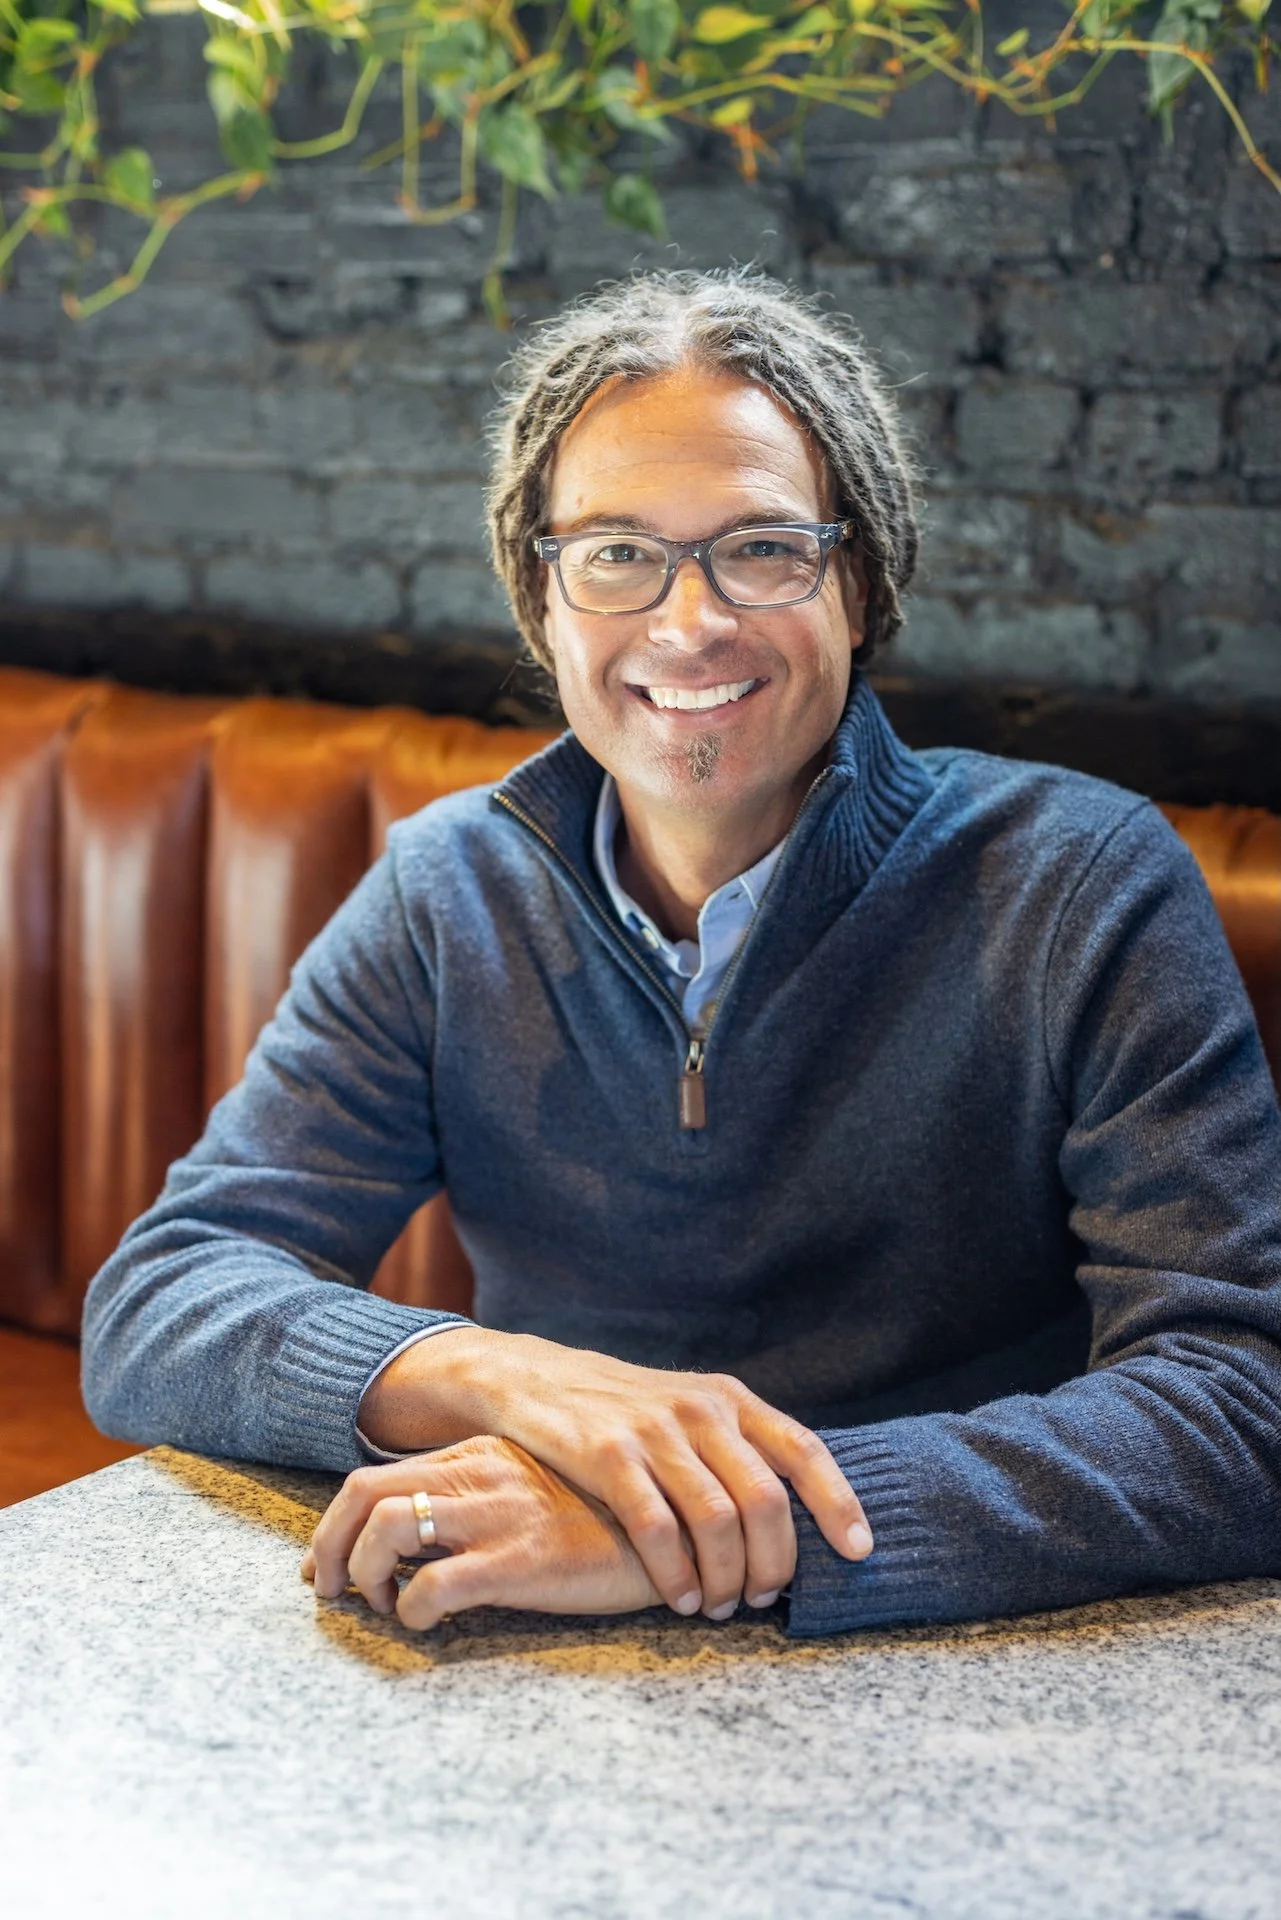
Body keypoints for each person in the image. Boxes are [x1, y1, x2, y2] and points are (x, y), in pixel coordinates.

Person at [82, 269, 1281, 1639]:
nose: (688, 621)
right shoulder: (446, 892)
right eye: (614, 553)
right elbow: (164, 1295)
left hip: (962, 1642)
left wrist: (709, 1530)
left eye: (763, 547)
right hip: (536, 1654)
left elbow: (1242, 1402)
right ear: (542, 600)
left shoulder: (1077, 881)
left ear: (862, 577)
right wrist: (505, 1380)